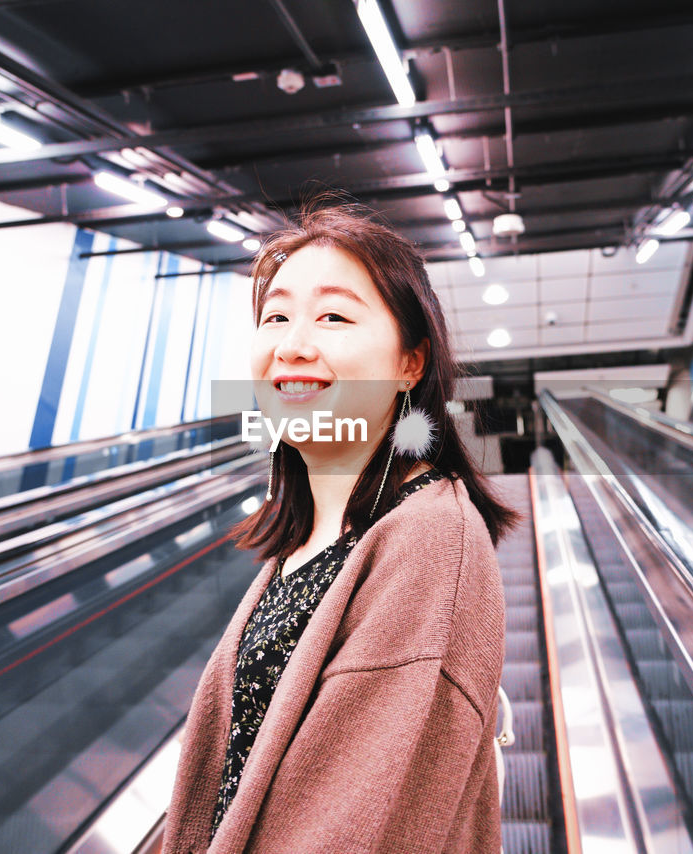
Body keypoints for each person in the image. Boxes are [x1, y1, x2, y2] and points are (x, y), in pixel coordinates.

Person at [160, 203, 520, 854]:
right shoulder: (308, 536)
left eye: (333, 316)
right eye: (277, 316)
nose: (293, 343)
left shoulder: (430, 539)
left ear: (411, 363)